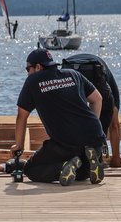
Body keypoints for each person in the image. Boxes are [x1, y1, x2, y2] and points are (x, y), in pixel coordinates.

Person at [10, 49, 106, 186]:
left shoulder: (33, 81)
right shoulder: (73, 74)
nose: (27, 73)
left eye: (28, 68)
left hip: (66, 143)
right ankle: (88, 162)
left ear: (38, 67)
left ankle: (64, 166)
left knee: (31, 170)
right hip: (96, 138)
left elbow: (21, 116)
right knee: (85, 171)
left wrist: (18, 145)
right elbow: (97, 99)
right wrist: (90, 128)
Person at [61, 53, 121, 167]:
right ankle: (97, 156)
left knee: (69, 117)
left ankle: (68, 155)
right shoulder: (113, 89)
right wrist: (116, 157)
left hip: (67, 68)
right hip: (94, 70)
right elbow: (114, 125)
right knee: (104, 114)